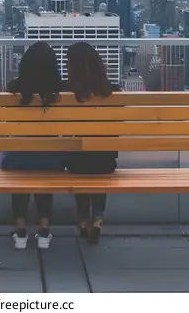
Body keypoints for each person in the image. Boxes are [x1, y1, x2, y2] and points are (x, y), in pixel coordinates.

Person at [2, 42, 65, 250]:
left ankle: (20, 229)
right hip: (52, 159)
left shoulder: (15, 90)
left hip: (18, 159)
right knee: (45, 161)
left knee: (20, 160)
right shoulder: (59, 93)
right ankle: (44, 229)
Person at [64, 42, 120, 244]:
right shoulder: (113, 91)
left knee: (81, 160)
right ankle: (97, 219)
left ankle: (82, 220)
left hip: (75, 162)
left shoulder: (67, 92)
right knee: (99, 160)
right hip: (106, 162)